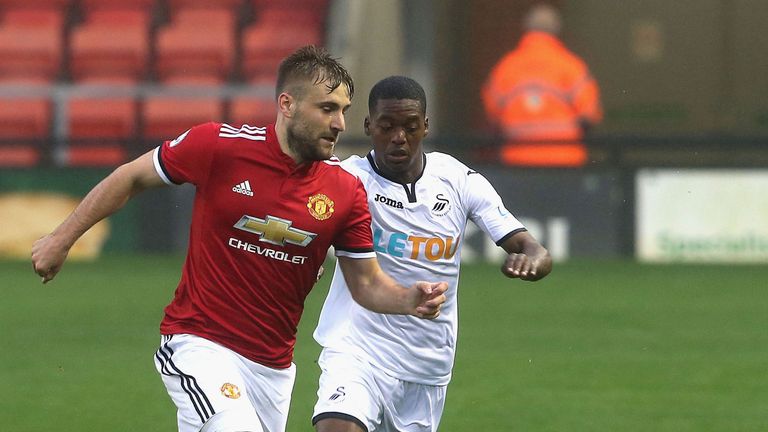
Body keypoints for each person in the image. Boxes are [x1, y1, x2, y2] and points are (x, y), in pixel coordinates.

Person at [31, 46, 447, 432]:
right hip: (198, 343)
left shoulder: (345, 189)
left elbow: (367, 283)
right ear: (287, 104)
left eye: (343, 110)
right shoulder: (219, 146)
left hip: (273, 369)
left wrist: (409, 299)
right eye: (327, 109)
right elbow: (132, 176)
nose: (340, 123)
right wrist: (61, 239)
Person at [311, 75, 552, 432]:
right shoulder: (347, 179)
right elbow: (305, 231)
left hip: (427, 365)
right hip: (357, 350)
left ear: (425, 126)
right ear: (368, 126)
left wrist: (532, 259)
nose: (398, 137)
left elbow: (531, 247)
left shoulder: (456, 180)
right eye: (386, 126)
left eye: (409, 127)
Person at [482, 2, 602, 167]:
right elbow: (590, 115)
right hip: (565, 161)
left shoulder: (505, 68)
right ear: (556, 29)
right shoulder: (571, 66)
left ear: (526, 28)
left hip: (517, 162)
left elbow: (493, 117)